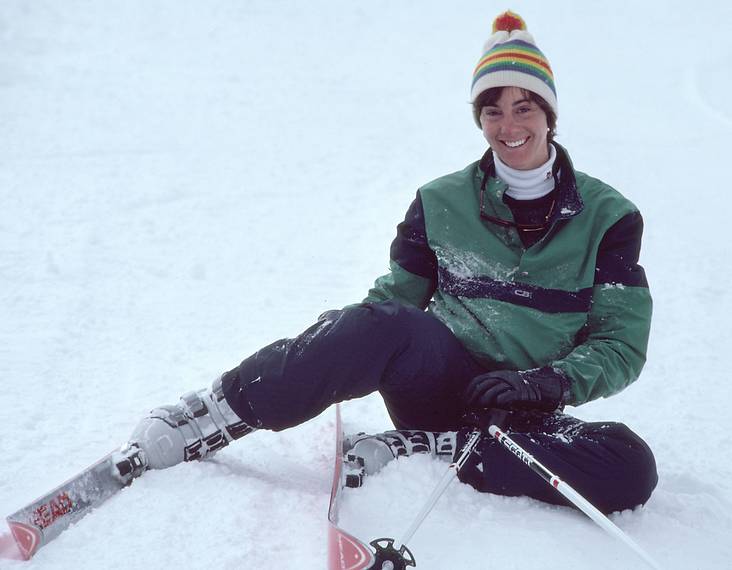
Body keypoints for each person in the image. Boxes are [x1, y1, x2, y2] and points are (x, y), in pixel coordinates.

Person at [127, 10, 657, 515]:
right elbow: (394, 303)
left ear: (549, 115)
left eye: (525, 107)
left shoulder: (609, 217)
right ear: (479, 119)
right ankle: (215, 414)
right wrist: (340, 339)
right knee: (385, 324)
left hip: (523, 415)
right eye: (493, 110)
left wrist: (545, 383)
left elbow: (620, 345)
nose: (508, 124)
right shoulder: (440, 202)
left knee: (630, 465)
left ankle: (431, 449)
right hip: (437, 382)